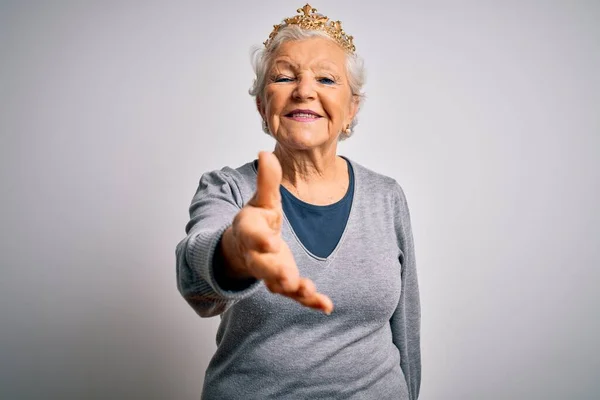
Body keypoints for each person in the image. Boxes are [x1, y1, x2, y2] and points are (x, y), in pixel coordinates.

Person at [175, 4, 421, 399]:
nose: (304, 90)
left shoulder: (386, 196)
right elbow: (196, 285)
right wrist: (236, 250)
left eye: (326, 78)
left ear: (351, 108)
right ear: (262, 104)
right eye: (285, 76)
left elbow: (406, 328)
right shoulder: (229, 189)